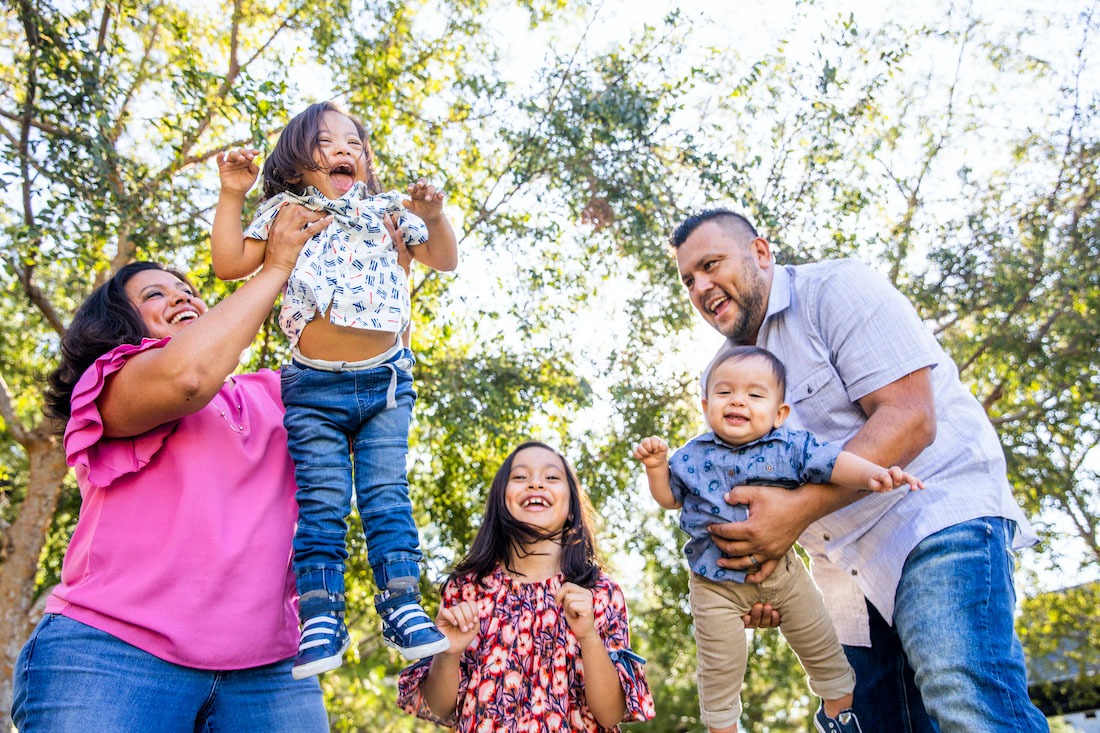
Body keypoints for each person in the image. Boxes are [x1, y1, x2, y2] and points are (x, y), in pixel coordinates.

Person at [668, 208, 1047, 732]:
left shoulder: (835, 290)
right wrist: (754, 584)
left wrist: (795, 514)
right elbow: (744, 498)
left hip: (931, 513)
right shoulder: (723, 375)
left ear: (760, 252)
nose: (701, 286)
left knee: (966, 700)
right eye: (689, 279)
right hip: (841, 570)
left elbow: (910, 419)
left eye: (711, 265)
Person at [12, 204, 333, 731]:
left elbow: (365, 384)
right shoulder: (111, 382)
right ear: (120, 324)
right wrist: (275, 267)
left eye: (185, 288)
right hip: (111, 656)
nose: (181, 295)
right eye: (154, 294)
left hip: (269, 673)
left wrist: (385, 263)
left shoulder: (272, 393)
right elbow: (187, 376)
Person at [210, 101, 459, 679]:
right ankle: (320, 614)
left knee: (385, 495)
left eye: (355, 141)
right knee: (321, 505)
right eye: (327, 141)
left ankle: (402, 603)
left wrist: (433, 214)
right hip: (312, 387)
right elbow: (227, 263)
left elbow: (442, 261)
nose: (346, 149)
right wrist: (231, 195)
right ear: (298, 161)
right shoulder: (284, 212)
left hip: (386, 380)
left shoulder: (388, 209)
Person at [634, 345, 924, 733]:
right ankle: (722, 727)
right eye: (724, 392)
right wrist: (656, 468)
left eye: (755, 394)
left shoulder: (791, 447)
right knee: (720, 666)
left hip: (784, 577)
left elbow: (835, 463)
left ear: (779, 413)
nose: (738, 400)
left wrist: (874, 474)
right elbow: (669, 498)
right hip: (713, 584)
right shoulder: (691, 455)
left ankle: (840, 714)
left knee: (821, 643)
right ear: (705, 406)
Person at [396, 441, 656, 731]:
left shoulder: (600, 593)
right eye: (520, 477)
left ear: (572, 507)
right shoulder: (466, 589)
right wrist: (449, 653)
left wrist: (589, 637)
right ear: (500, 501)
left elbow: (610, 715)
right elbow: (441, 707)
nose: (535, 483)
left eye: (552, 477)